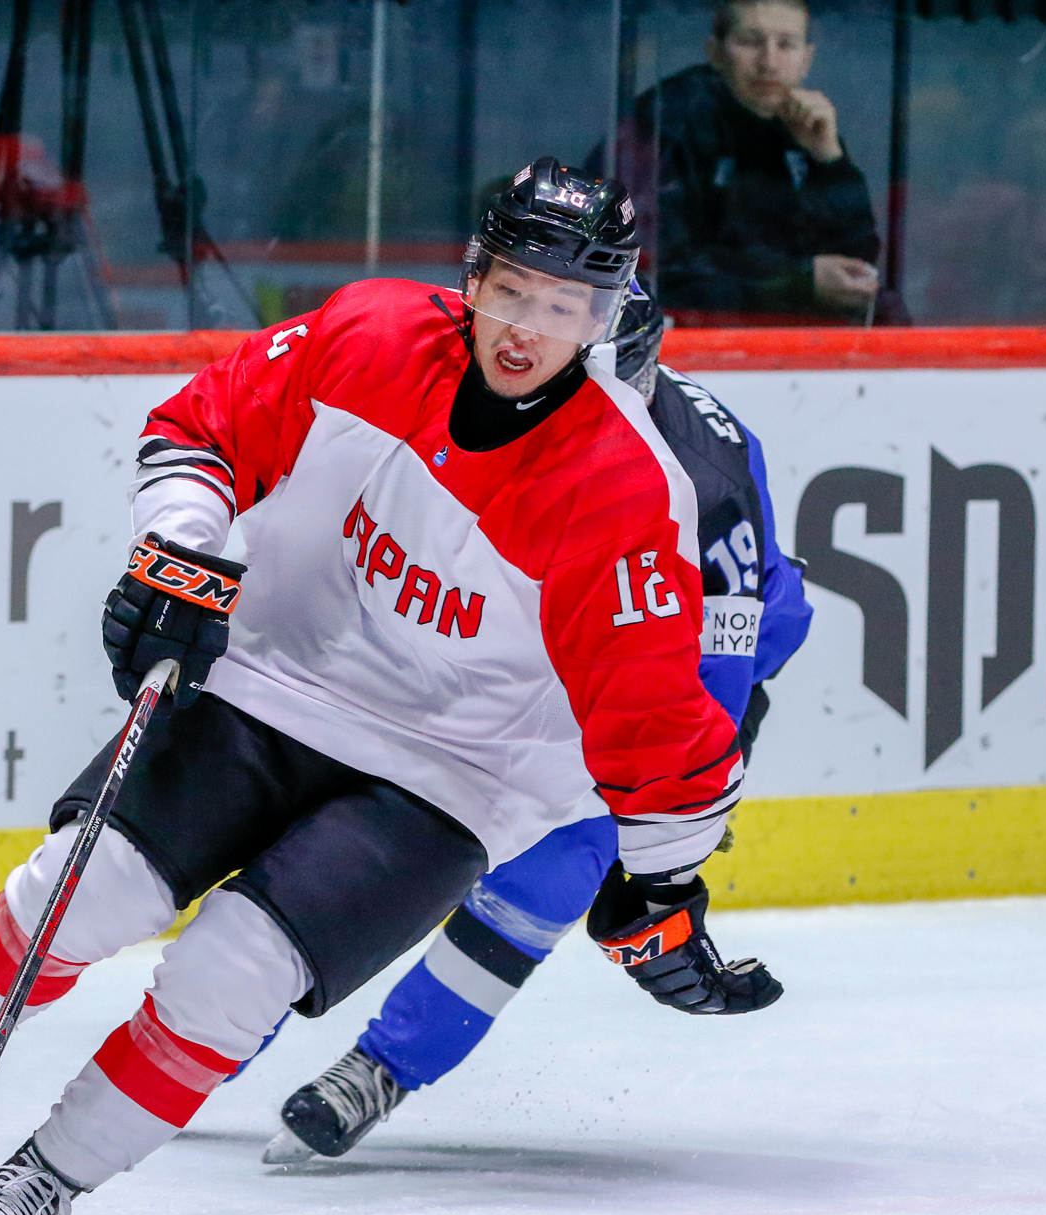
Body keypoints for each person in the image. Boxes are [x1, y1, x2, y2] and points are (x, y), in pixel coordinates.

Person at [0, 158, 784, 1215]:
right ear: (472, 276)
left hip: (448, 778)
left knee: (233, 974)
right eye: (512, 289)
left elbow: (652, 710)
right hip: (271, 681)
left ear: (601, 320)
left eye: (563, 307)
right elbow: (202, 428)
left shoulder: (622, 489)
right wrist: (179, 556)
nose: (526, 327)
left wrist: (661, 884)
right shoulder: (369, 335)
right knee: (80, 886)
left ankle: (46, 1177)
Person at [260, 284, 813, 1162]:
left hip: (637, 670)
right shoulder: (472, 392)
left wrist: (663, 861)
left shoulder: (701, 478)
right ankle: (228, 1020)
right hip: (508, 642)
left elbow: (706, 692)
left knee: (553, 872)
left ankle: (384, 1069)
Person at [611, 0, 897, 327]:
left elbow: (859, 260)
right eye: (750, 42)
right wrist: (798, 284)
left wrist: (830, 159)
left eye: (786, 45)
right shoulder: (666, 124)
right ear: (715, 52)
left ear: (807, 60)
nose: (769, 63)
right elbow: (658, 274)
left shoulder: (806, 127)